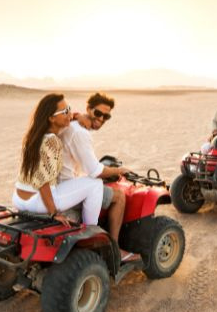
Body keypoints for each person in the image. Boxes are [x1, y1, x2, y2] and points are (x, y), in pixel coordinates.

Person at [59, 92, 137, 261]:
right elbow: (95, 171)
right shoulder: (81, 132)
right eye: (98, 113)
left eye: (106, 116)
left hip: (60, 183)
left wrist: (78, 115)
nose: (101, 119)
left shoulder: (70, 123)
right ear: (89, 108)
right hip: (65, 187)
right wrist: (119, 170)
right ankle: (115, 250)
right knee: (119, 197)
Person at [12, 93, 104, 229]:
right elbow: (43, 181)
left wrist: (77, 116)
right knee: (96, 184)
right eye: (65, 111)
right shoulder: (52, 141)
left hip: (19, 199)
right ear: (51, 118)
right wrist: (54, 213)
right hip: (37, 201)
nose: (70, 113)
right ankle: (91, 230)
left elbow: (65, 118)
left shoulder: (34, 136)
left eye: (70, 109)